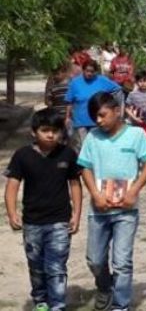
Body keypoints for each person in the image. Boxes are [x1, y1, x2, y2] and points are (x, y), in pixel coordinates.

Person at [78, 92, 146, 311]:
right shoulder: (92, 137)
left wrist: (134, 191)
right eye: (95, 117)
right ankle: (104, 286)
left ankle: (121, 304)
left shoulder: (136, 135)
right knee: (95, 259)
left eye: (102, 115)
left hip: (126, 211)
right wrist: (95, 194)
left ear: (116, 110)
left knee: (122, 261)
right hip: (99, 209)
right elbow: (85, 167)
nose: (99, 121)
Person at [4, 108, 82, 311]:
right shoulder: (22, 156)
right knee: (36, 266)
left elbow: (75, 184)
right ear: (34, 132)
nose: (50, 135)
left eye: (56, 130)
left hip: (59, 221)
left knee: (56, 267)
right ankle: (41, 300)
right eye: (45, 130)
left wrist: (77, 214)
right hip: (32, 222)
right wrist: (12, 213)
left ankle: (57, 305)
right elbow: (12, 186)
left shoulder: (67, 154)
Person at [64, 60, 122, 150]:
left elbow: (117, 90)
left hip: (98, 120)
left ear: (95, 72)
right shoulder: (75, 83)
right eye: (87, 71)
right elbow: (69, 101)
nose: (89, 73)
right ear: (83, 70)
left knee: (98, 145)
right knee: (84, 146)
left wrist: (112, 106)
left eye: (92, 71)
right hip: (80, 120)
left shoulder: (102, 80)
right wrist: (67, 117)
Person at [125, 70, 146, 144]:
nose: (143, 83)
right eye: (140, 81)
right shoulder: (132, 94)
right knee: (137, 143)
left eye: (145, 81)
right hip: (136, 124)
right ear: (136, 82)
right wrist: (134, 118)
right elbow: (127, 108)